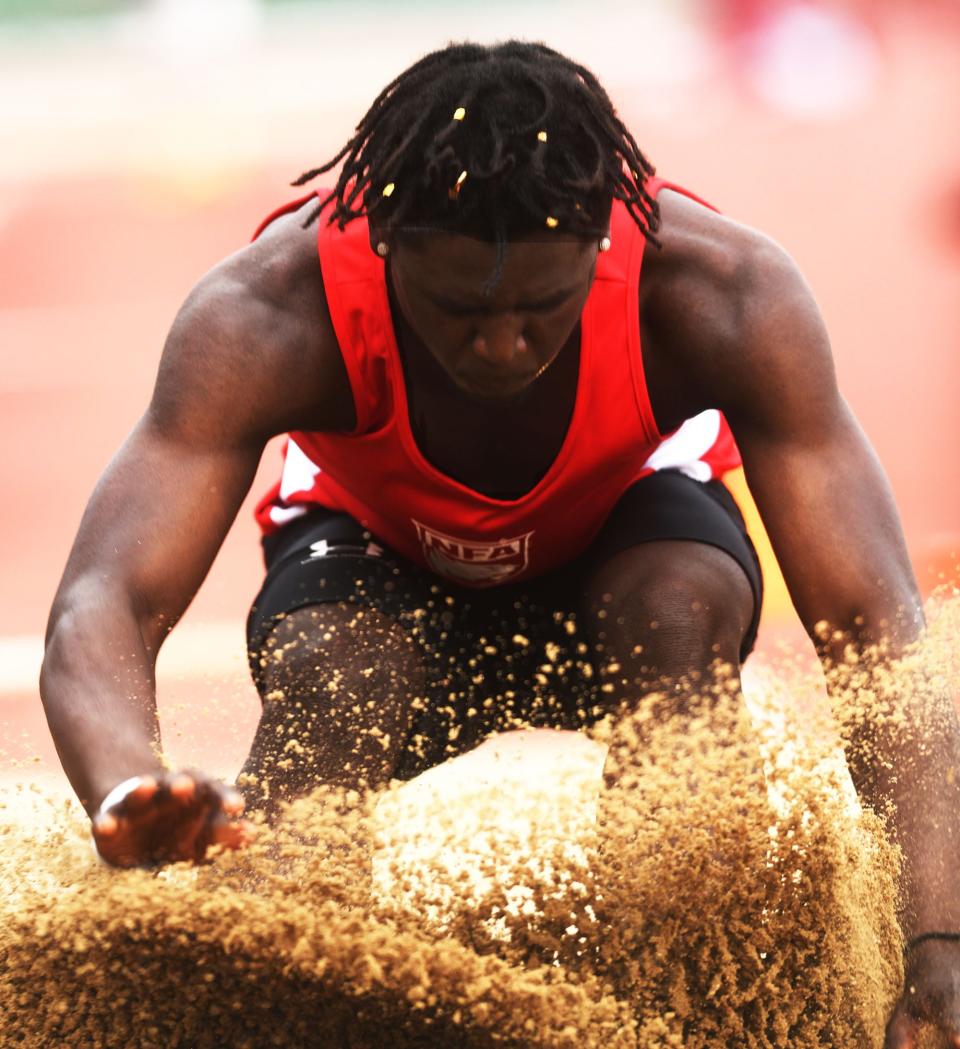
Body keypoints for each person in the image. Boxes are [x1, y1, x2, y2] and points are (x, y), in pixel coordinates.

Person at [39, 40, 960, 1045]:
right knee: (334, 674)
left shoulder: (722, 291)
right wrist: (130, 789)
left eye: (541, 306)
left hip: (627, 535)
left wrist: (940, 941)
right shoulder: (269, 310)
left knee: (675, 610)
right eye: (460, 309)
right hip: (378, 558)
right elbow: (104, 600)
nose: (503, 346)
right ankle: (267, 994)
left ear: (604, 245)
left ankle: (702, 997)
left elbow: (878, 633)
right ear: (384, 241)